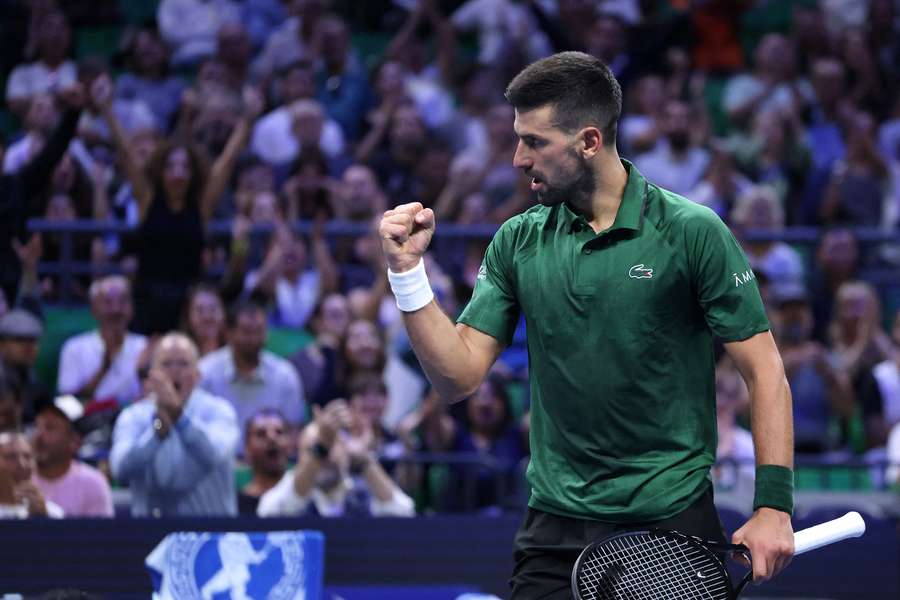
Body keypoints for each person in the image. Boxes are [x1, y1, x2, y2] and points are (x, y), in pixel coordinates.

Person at [378, 52, 795, 597]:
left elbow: (765, 371)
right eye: (517, 139)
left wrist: (773, 507)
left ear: (589, 142)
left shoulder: (693, 232)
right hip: (554, 528)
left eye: (534, 142)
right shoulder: (517, 241)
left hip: (669, 522)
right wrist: (408, 272)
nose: (517, 159)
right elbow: (458, 378)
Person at [110, 332, 239, 517]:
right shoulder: (134, 416)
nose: (174, 371)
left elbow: (214, 456)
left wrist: (180, 418)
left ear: (197, 375)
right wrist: (156, 435)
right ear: (152, 374)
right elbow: (120, 469)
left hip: (212, 533)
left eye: (183, 364)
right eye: (166, 364)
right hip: (148, 536)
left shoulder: (219, 411)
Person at [257, 399, 415, 518]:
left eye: (331, 447)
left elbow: (404, 511)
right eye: (313, 450)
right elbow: (268, 511)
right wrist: (322, 446)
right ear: (301, 458)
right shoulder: (291, 489)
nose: (324, 458)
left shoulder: (361, 490)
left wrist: (364, 459)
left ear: (345, 450)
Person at [198, 300, 305, 442]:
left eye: (259, 331)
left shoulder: (284, 375)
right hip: (217, 461)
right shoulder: (205, 372)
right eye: (247, 332)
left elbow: (293, 431)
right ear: (228, 333)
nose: (254, 339)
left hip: (269, 461)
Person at [57, 276, 147, 406]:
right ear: (93, 309)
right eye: (108, 302)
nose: (116, 310)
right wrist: (104, 368)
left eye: (122, 301)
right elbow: (67, 404)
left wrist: (143, 373)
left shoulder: (145, 346)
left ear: (132, 308)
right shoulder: (74, 348)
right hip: (86, 422)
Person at [32, 395, 114, 517]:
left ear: (74, 441)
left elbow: (99, 535)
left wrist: (48, 514)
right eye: (37, 426)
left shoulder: (93, 483)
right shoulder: (14, 478)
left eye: (50, 428)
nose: (39, 435)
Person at [238, 408, 292, 516]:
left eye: (279, 432)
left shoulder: (304, 498)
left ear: (290, 445)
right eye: (261, 434)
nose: (272, 438)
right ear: (247, 448)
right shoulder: (234, 505)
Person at [0, 431, 63, 518]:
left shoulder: (52, 513)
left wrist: (42, 519)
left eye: (27, 456)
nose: (22, 464)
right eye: (10, 456)